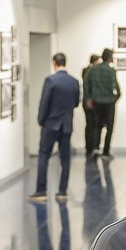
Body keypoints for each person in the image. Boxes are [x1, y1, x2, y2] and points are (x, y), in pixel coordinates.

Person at [28, 52, 81, 203]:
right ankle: (62, 191)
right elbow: (76, 102)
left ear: (54, 63)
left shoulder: (51, 80)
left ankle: (41, 191)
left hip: (51, 124)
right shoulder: (74, 81)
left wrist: (41, 120)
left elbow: (44, 102)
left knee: (44, 155)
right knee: (65, 158)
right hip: (67, 125)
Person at [84, 48, 120, 158]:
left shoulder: (93, 69)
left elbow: (86, 83)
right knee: (110, 127)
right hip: (109, 102)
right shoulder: (111, 70)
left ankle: (95, 148)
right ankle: (106, 150)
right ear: (109, 57)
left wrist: (89, 98)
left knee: (96, 126)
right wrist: (116, 97)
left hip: (97, 101)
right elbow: (116, 86)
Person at [81, 53, 101, 155]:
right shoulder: (90, 71)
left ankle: (90, 146)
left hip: (87, 101)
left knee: (90, 124)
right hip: (91, 101)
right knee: (93, 124)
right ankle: (92, 146)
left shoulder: (85, 70)